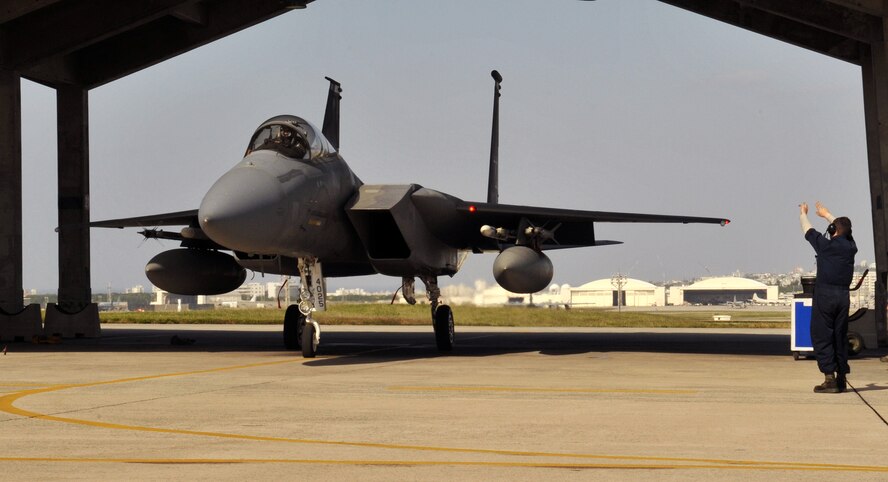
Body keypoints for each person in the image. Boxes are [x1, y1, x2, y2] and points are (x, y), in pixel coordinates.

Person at [799, 201, 857, 393]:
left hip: (825, 296)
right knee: (839, 336)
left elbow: (808, 231)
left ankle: (829, 378)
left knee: (822, 335)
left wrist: (803, 214)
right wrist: (828, 215)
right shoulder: (851, 247)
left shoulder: (826, 246)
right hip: (843, 297)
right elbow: (845, 230)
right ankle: (841, 377)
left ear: (833, 230)